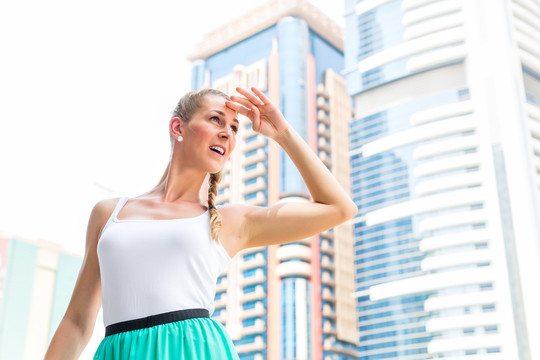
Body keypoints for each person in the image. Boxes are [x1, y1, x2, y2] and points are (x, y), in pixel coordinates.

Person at [43, 87, 357, 359]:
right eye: (216, 119)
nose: (227, 132)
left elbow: (338, 208)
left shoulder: (229, 221)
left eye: (235, 127)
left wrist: (283, 133)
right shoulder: (108, 213)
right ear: (178, 127)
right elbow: (77, 321)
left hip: (193, 350)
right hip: (119, 351)